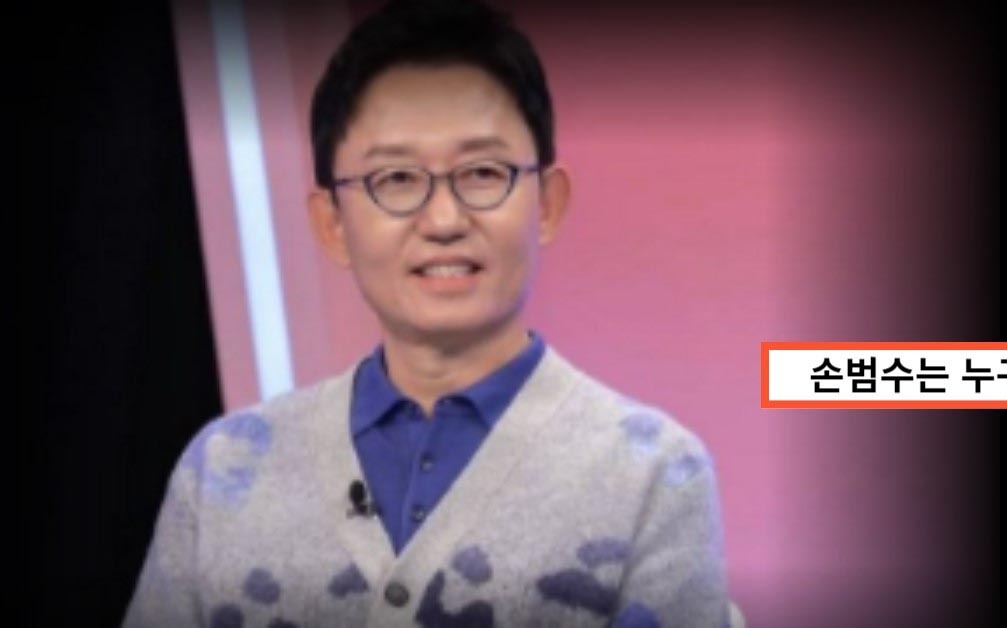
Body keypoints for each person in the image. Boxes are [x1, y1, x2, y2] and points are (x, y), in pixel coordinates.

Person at [123, 1, 730, 626]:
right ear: (332, 225)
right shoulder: (224, 470)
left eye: (483, 172)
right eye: (396, 179)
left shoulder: (653, 474)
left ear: (547, 204)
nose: (443, 221)